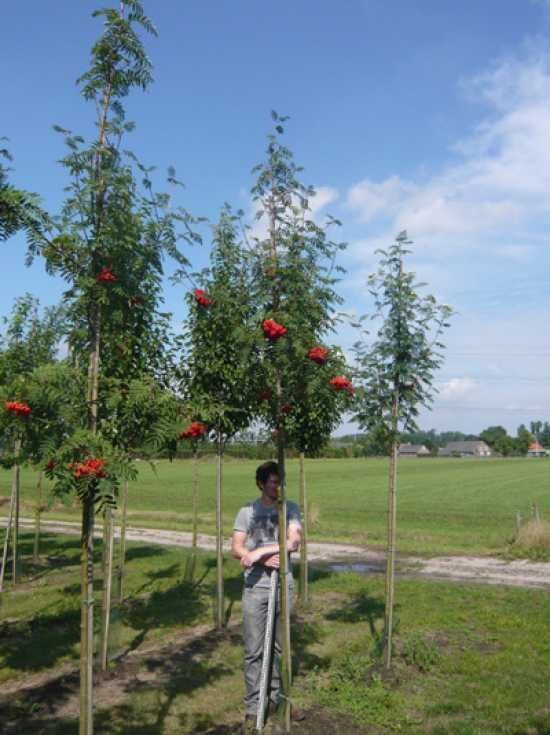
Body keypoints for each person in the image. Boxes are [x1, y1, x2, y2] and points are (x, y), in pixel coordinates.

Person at [231, 461, 302, 733]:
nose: (277, 486)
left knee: (280, 648)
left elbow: (293, 542)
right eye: (272, 482)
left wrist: (260, 552)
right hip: (255, 588)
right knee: (254, 650)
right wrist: (257, 559)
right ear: (261, 484)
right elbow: (237, 548)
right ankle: (253, 708)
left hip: (283, 585)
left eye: (280, 481)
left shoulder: (290, 509)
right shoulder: (247, 511)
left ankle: (279, 700)